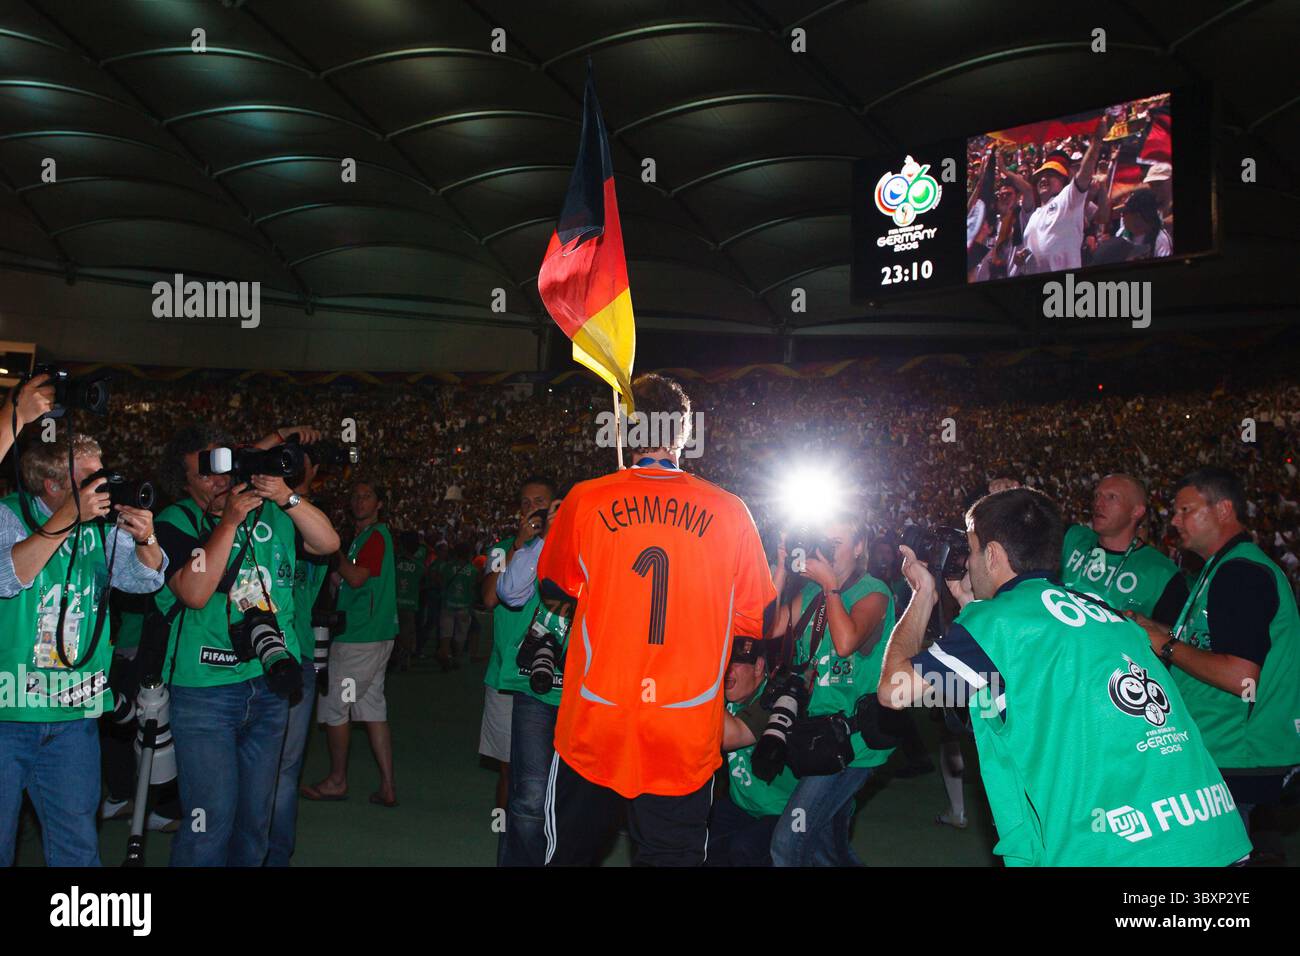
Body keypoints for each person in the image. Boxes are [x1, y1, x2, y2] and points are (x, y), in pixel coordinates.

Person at [879, 487, 1251, 866]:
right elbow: (1024, 680)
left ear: (992, 555)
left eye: (972, 550)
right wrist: (970, 606)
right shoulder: (1099, 606)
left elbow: (895, 691)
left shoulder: (997, 624)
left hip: (1122, 850)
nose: (968, 563)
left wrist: (923, 594)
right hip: (1211, 829)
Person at [536, 373, 777, 866]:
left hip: (597, 723)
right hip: (682, 729)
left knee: (568, 859)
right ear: (683, 435)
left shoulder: (586, 499)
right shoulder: (730, 511)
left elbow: (553, 588)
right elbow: (762, 620)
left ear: (623, 431)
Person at [153, 424, 339, 867]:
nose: (218, 481)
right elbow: (195, 593)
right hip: (205, 691)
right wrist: (231, 520)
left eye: (222, 470)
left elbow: (328, 542)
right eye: (205, 475)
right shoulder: (173, 522)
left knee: (256, 820)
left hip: (270, 681)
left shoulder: (272, 511)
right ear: (184, 483)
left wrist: (285, 497)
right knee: (209, 820)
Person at [0, 434, 166, 866]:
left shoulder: (100, 530)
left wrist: (146, 540)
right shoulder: (8, 514)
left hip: (74, 714)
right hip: (9, 713)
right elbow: (8, 576)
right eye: (92, 478)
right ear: (54, 486)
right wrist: (68, 519)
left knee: (77, 845)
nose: (105, 486)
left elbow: (143, 580)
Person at [1128, 468, 1300, 847]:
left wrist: (1166, 645)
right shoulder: (1223, 567)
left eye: (1184, 510)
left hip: (1239, 753)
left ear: (1223, 510)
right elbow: (1211, 646)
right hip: (1227, 750)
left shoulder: (1240, 573)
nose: (1174, 520)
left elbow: (1242, 677)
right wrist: (1157, 630)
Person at [766, 515, 895, 866]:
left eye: (836, 543)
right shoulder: (809, 592)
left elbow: (845, 642)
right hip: (816, 740)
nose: (827, 550)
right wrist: (780, 567)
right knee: (826, 851)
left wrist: (831, 588)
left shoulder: (874, 592)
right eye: (824, 542)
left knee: (787, 844)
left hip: (853, 746)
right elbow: (771, 627)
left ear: (859, 548)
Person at [487, 476, 567, 867]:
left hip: (580, 687)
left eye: (543, 503)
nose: (534, 509)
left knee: (572, 797)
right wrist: (529, 542)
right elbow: (501, 594)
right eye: (527, 502)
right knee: (526, 790)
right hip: (523, 681)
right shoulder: (514, 549)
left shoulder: (585, 543)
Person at [303, 481, 399, 807]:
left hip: (360, 636)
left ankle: (337, 780)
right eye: (356, 496)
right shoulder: (364, 539)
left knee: (334, 706)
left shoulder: (374, 535)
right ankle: (387, 785)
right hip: (375, 634)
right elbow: (349, 579)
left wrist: (333, 551)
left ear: (379, 504)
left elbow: (357, 578)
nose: (360, 500)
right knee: (371, 708)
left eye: (367, 495)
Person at [266, 437, 337, 865]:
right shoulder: (258, 513)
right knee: (267, 768)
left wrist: (292, 489)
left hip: (299, 654)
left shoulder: (304, 518)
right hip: (253, 657)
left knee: (285, 769)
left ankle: (275, 856)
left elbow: (327, 544)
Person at [707, 638, 795, 866]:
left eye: (734, 663)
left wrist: (706, 680)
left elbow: (730, 736)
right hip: (743, 805)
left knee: (744, 850)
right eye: (722, 663)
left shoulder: (774, 699)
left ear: (758, 667)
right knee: (697, 839)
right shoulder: (730, 699)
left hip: (784, 812)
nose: (726, 671)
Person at [1061, 474, 1188, 625]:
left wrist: (1139, 624)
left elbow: (1178, 638)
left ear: (1137, 512)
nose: (1098, 504)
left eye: (1111, 497)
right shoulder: (1070, 537)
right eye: (1097, 495)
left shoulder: (1162, 574)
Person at [1019, 116, 1108, 274]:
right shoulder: (1034, 215)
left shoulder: (1067, 199)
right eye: (1041, 175)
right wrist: (1021, 258)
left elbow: (1085, 173)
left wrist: (1097, 142)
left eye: (1051, 174)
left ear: (1063, 181)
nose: (1044, 178)